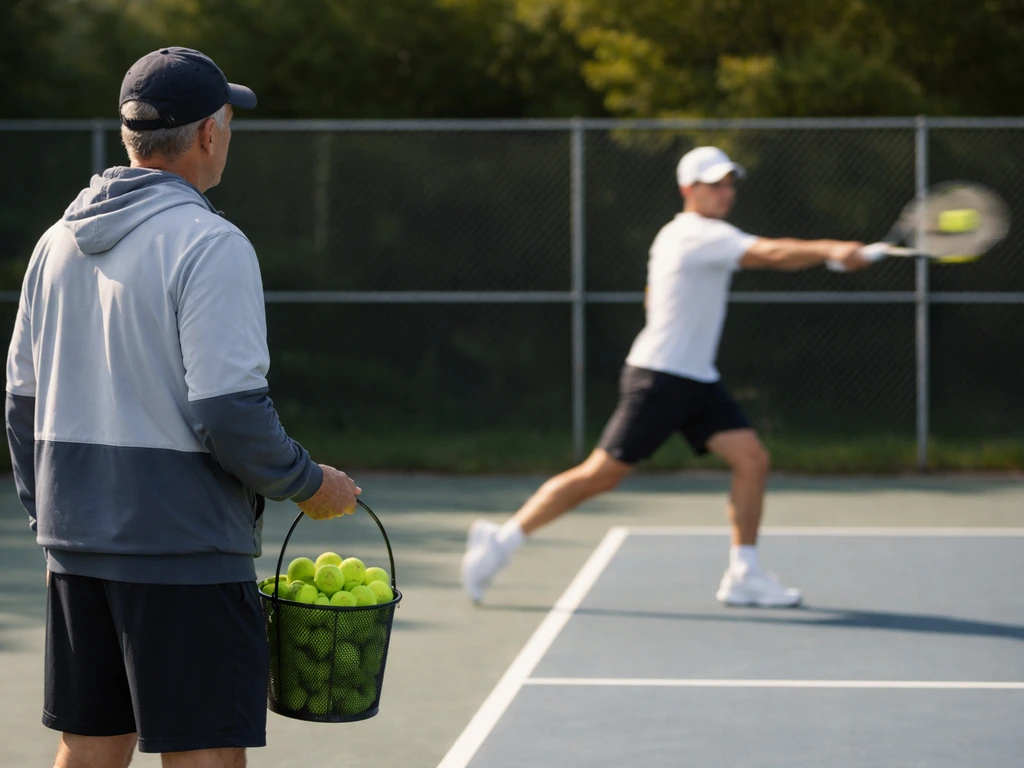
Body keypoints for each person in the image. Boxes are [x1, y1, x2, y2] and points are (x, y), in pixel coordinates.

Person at [5, 47, 360, 768]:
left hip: (75, 543)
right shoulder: (210, 242)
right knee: (205, 752)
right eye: (227, 121)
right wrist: (306, 483)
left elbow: (22, 402)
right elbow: (229, 411)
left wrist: (53, 516)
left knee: (91, 745)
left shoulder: (55, 242)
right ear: (207, 134)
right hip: (185, 550)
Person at [461, 145, 874, 609]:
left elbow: (654, 295)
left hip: (696, 378)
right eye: (713, 184)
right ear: (688, 190)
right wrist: (832, 251)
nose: (725, 192)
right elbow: (771, 253)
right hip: (660, 378)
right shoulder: (696, 234)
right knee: (601, 476)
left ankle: (744, 573)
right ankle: (501, 541)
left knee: (752, 459)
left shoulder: (678, 238)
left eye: (729, 184)